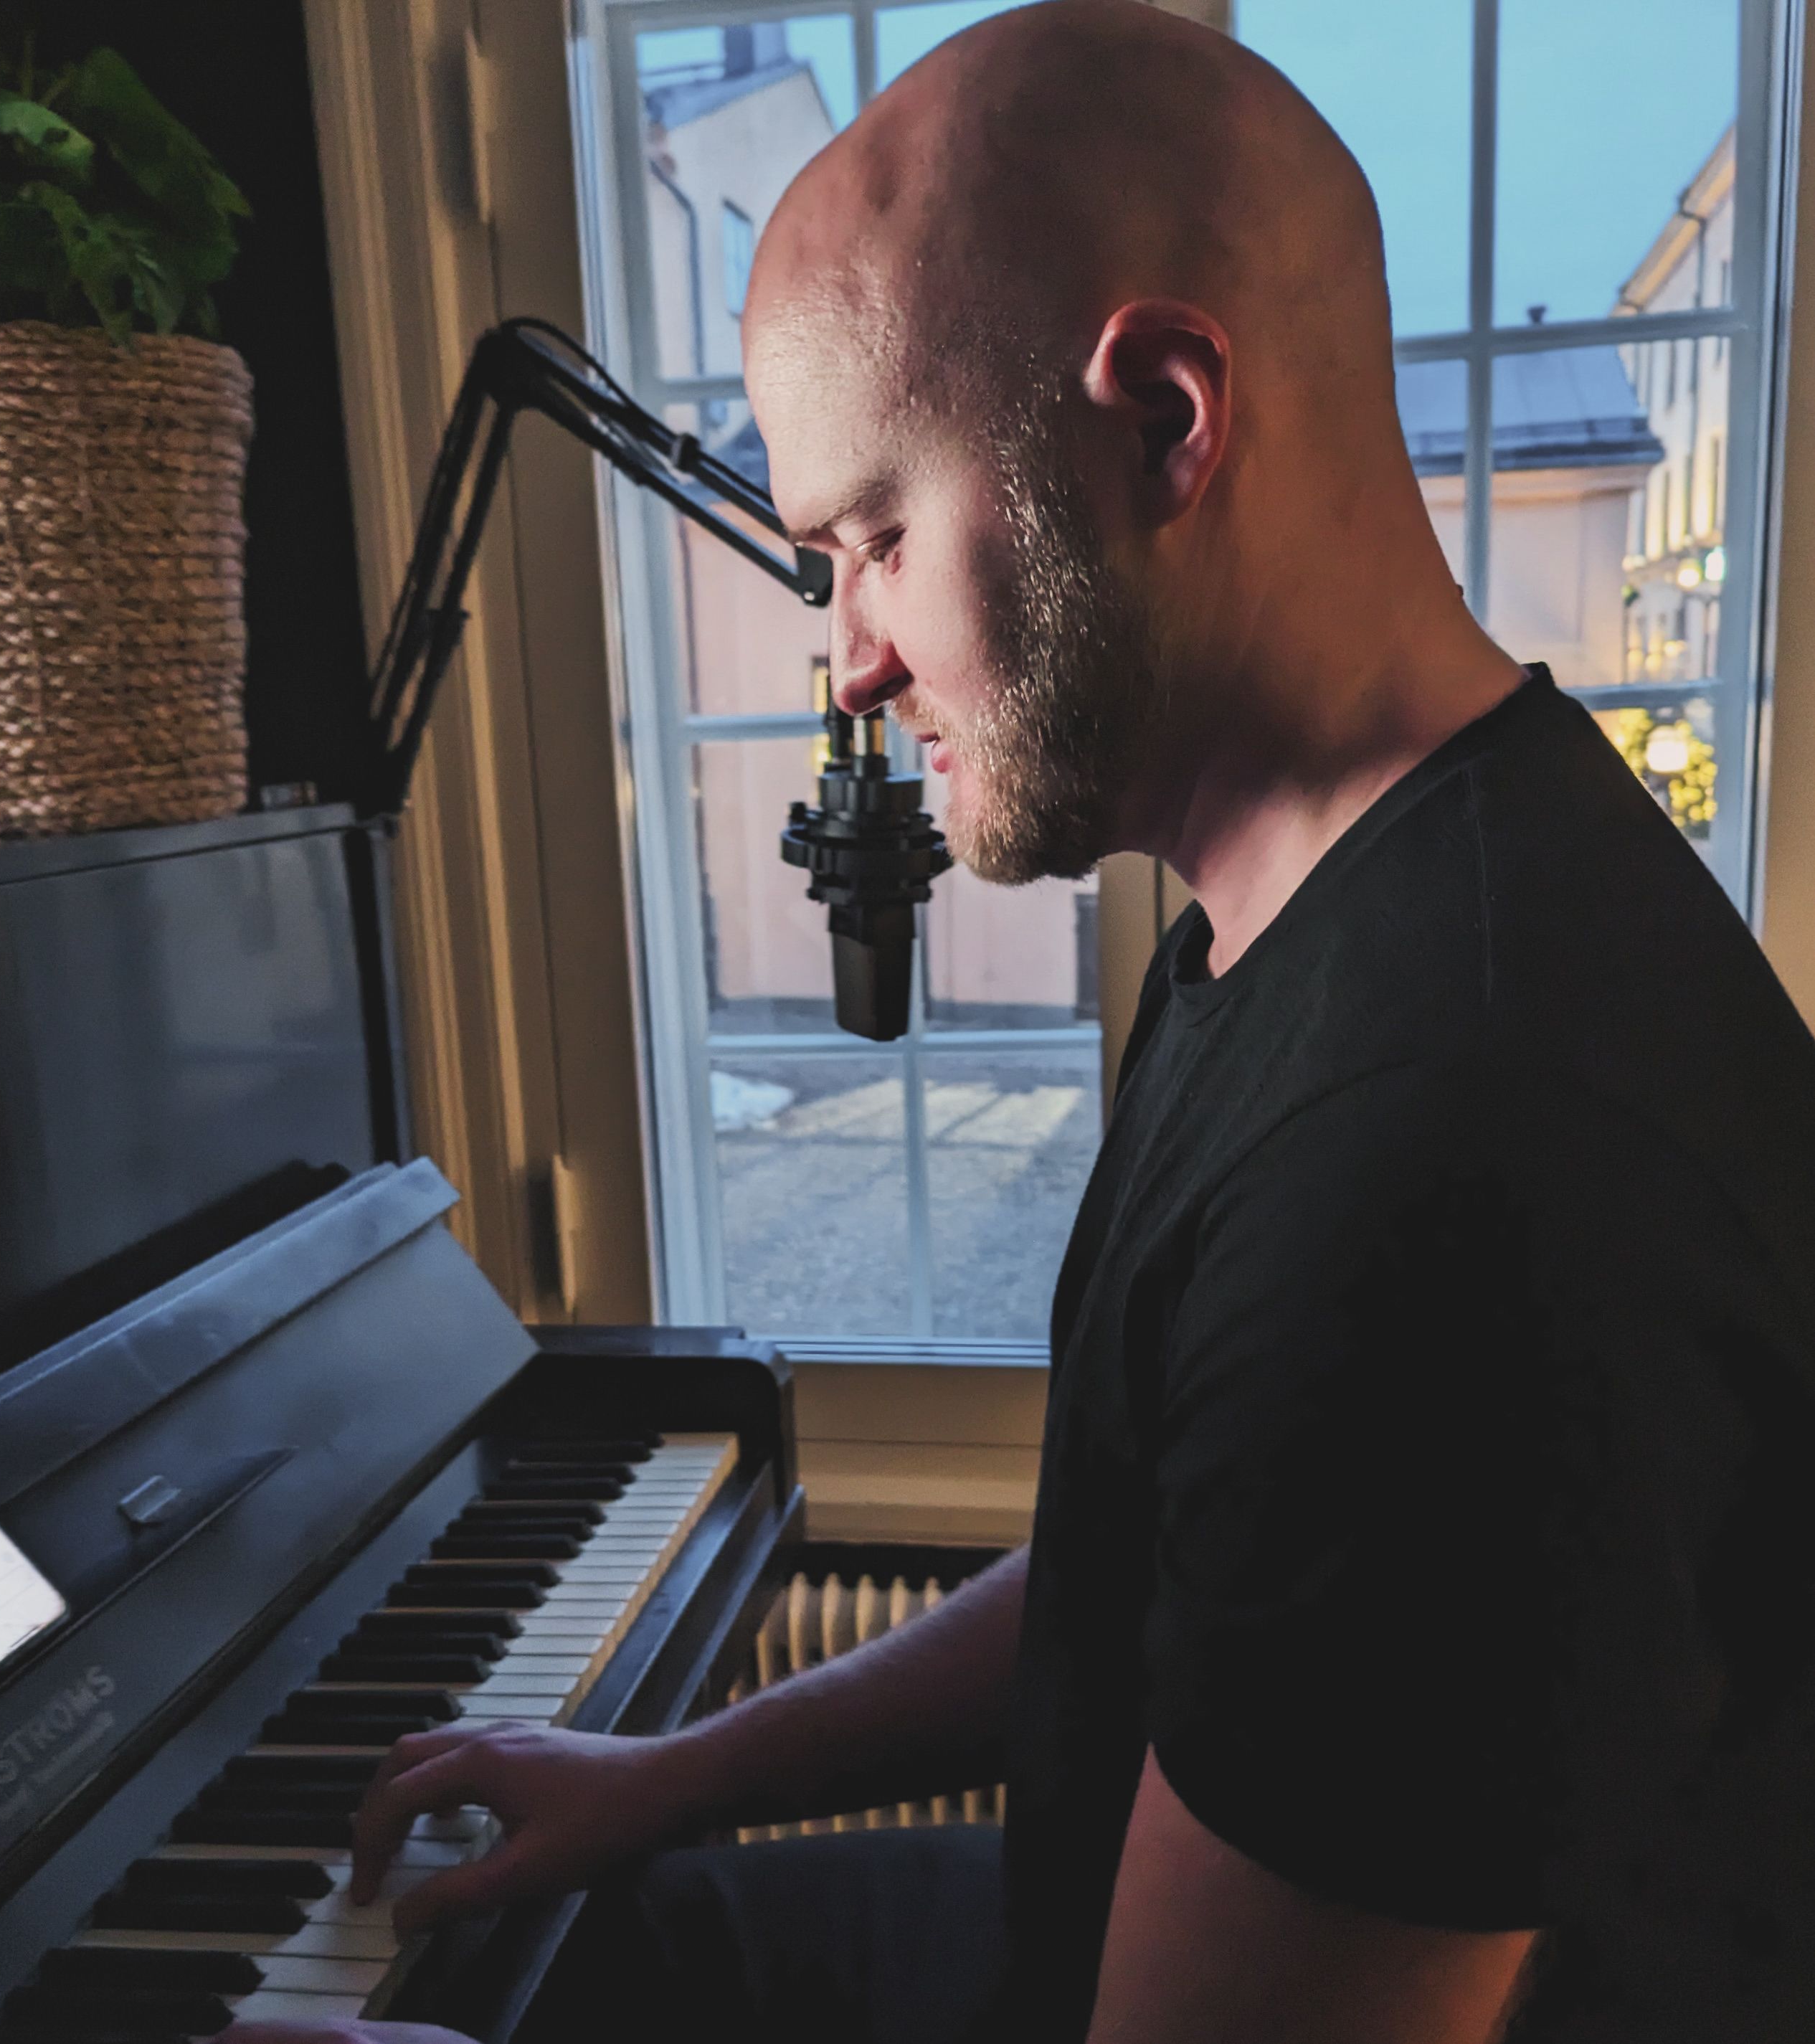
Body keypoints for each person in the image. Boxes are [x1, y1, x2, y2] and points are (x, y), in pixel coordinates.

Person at [225, 2, 1815, 2040]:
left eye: (872, 539)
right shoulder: (1312, 904)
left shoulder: (1449, 1156)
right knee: (553, 1957)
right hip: (1081, 1912)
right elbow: (1163, 1583)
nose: (846, 667)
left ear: (1162, 415)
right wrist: (659, 1779)